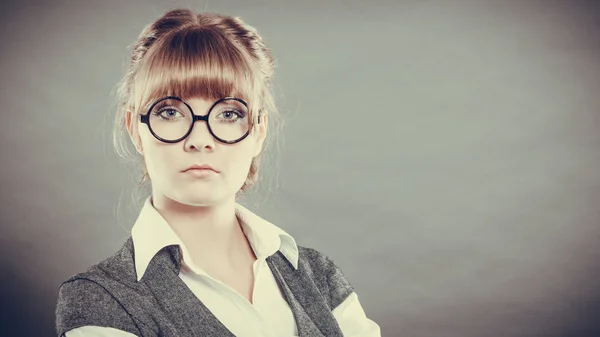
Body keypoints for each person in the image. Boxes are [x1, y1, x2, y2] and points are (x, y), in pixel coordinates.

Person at [55, 8, 381, 337]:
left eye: (228, 113)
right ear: (135, 131)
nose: (200, 140)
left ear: (259, 131)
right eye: (170, 111)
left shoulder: (319, 278)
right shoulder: (100, 301)